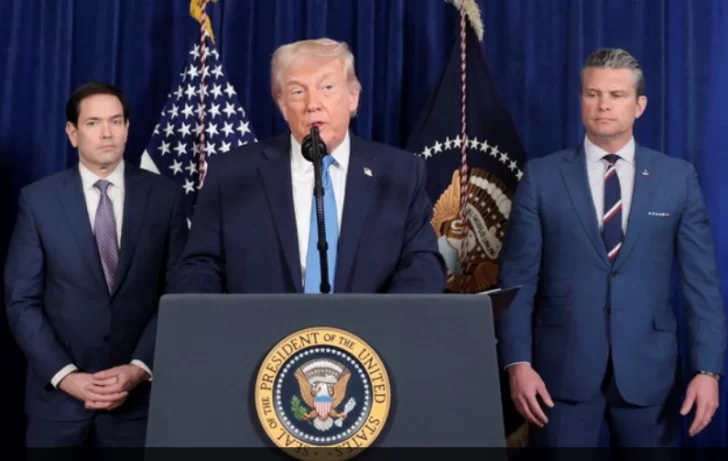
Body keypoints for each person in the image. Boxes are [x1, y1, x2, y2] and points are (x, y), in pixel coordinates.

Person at [498, 48, 725, 448]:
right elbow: (518, 281)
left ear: (639, 105)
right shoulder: (542, 177)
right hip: (558, 376)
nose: (603, 105)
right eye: (593, 94)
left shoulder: (677, 178)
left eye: (616, 95)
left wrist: (708, 371)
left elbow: (702, 286)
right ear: (581, 100)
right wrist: (518, 363)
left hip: (650, 376)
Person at [168, 38, 446, 294]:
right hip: (261, 331)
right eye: (298, 91)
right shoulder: (233, 174)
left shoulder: (400, 173)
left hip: (369, 331)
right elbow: (199, 268)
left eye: (327, 88)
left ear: (353, 96)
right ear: (282, 104)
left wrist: (385, 324)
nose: (313, 104)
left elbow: (422, 265)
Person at [4, 82, 189, 447]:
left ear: (127, 129)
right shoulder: (38, 201)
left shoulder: (165, 196)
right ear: (72, 133)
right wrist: (66, 375)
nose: (107, 133)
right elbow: (21, 300)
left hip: (139, 405)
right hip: (57, 406)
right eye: (93, 123)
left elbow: (179, 293)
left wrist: (139, 368)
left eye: (116, 121)